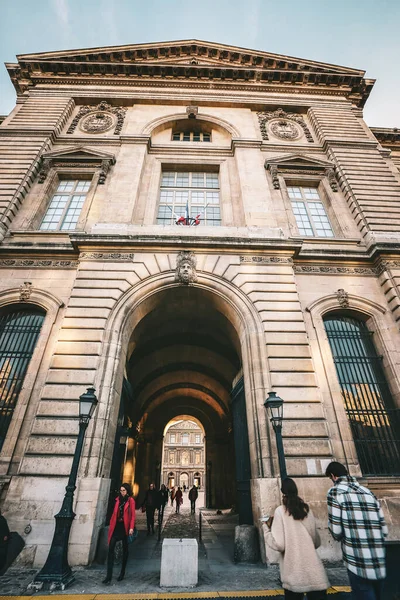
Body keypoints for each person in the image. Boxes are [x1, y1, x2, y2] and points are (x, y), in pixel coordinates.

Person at [325, 461, 388, 599]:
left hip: (357, 560)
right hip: (378, 559)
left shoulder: (335, 492)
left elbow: (336, 530)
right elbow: (384, 529)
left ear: (333, 476)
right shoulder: (367, 492)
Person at [266, 478, 329, 599]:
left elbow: (279, 545)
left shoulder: (280, 511)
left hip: (294, 573)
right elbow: (315, 542)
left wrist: (266, 529)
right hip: (314, 572)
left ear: (282, 492)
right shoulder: (306, 509)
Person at [103, 483, 135, 584]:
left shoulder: (131, 500)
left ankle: (122, 572)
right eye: (121, 490)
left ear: (128, 491)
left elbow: (133, 515)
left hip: (124, 527)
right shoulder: (117, 500)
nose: (122, 492)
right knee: (111, 549)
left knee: (125, 550)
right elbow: (114, 513)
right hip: (116, 527)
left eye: (124, 490)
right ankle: (109, 576)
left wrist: (131, 527)